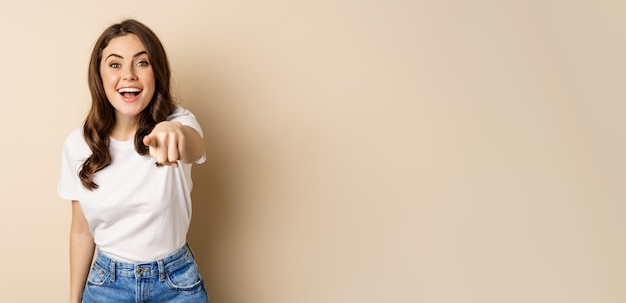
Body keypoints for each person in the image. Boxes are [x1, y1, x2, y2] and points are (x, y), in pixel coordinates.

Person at [58, 19, 209, 303]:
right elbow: (81, 231)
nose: (128, 75)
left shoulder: (179, 122)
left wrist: (171, 132)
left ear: (157, 73)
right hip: (106, 286)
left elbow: (193, 145)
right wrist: (72, 300)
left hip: (176, 284)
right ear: (100, 76)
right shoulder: (78, 144)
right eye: (115, 65)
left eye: (141, 63)